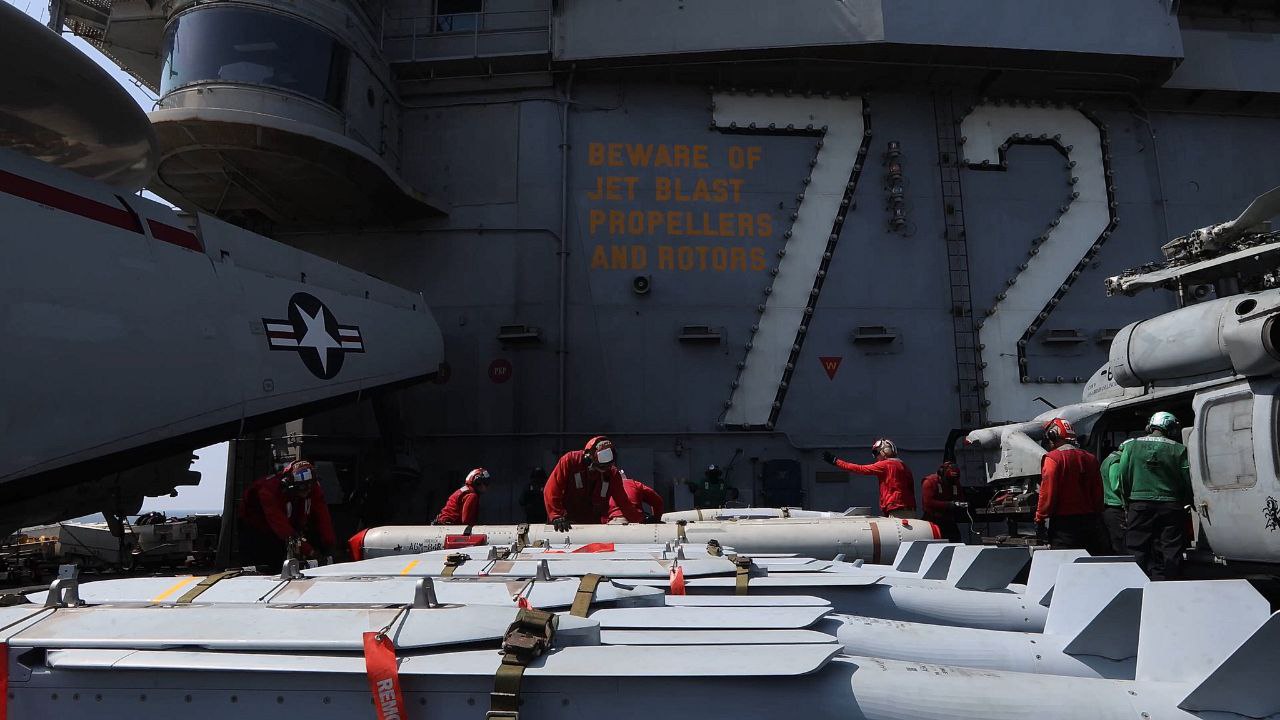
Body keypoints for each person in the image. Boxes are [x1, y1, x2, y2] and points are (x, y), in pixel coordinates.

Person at [1119, 411, 1193, 580]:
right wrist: (1187, 500)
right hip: (1171, 506)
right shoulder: (1179, 449)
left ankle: (1136, 583)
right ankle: (1169, 583)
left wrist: (1127, 502)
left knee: (1136, 548)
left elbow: (1123, 476)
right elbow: (1187, 479)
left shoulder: (1131, 446)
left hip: (1139, 504)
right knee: (1170, 549)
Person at [238, 459, 336, 568]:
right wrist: (310, 551)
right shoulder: (268, 492)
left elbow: (323, 517)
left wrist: (329, 544)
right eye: (302, 487)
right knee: (269, 559)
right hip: (258, 525)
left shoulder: (313, 487)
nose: (307, 490)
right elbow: (281, 527)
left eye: (310, 486)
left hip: (290, 520)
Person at [1035, 418, 1105, 552]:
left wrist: (1040, 518)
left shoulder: (1053, 459)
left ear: (1053, 436)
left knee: (1064, 560)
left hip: (1064, 526)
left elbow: (1047, 493)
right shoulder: (1091, 458)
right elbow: (1098, 492)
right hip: (1090, 523)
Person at [544, 436, 644, 531]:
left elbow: (623, 502)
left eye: (607, 468)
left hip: (591, 525)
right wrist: (556, 516)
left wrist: (640, 520)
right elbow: (551, 490)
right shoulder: (570, 461)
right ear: (588, 458)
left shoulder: (611, 474)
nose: (604, 471)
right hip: (565, 523)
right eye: (600, 468)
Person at [823, 439, 917, 518]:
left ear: (884, 451)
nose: (875, 457)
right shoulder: (904, 467)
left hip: (897, 511)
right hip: (910, 511)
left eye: (876, 452)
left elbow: (861, 469)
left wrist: (836, 461)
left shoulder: (885, 465)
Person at [921, 461, 967, 541]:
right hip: (932, 520)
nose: (951, 483)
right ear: (941, 473)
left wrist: (961, 504)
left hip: (949, 520)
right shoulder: (930, 482)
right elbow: (928, 503)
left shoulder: (955, 483)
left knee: (956, 540)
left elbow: (960, 498)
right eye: (949, 480)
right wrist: (949, 504)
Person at [1100, 447, 1126, 554]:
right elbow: (1116, 486)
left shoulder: (1109, 458)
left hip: (1109, 506)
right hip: (1116, 506)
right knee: (1121, 545)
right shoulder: (1117, 461)